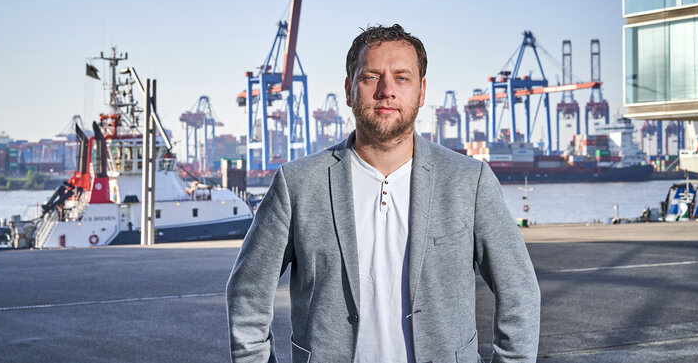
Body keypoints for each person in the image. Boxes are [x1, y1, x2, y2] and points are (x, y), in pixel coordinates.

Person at [227, 24, 540, 363]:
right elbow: (248, 293)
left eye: (402, 78)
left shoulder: (469, 181)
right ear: (349, 90)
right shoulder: (297, 184)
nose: (387, 90)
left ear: (421, 92)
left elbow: (519, 292)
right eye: (371, 77)